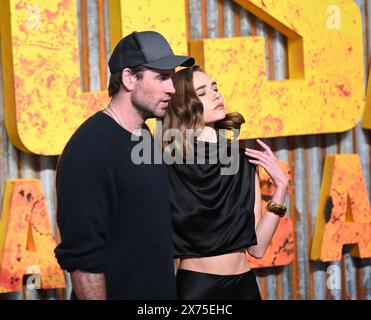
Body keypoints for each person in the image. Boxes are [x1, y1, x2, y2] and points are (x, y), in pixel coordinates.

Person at [54, 31, 194, 300]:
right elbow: (83, 259)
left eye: (172, 77)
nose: (173, 88)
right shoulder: (89, 149)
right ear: (130, 78)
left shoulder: (142, 135)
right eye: (162, 77)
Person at [161, 65, 289, 300]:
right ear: (182, 105)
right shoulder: (166, 166)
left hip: (246, 286)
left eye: (215, 87)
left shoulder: (243, 161)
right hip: (197, 289)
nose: (216, 94)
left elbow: (257, 248)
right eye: (202, 92)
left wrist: (280, 190)